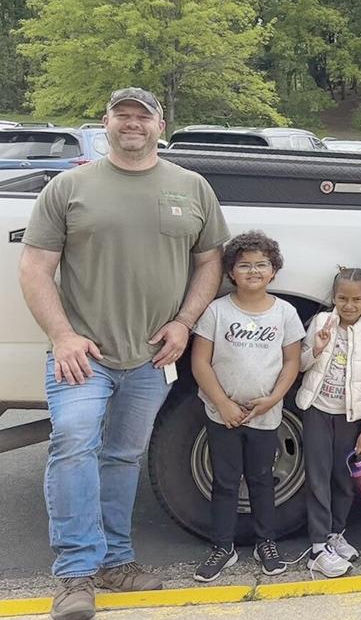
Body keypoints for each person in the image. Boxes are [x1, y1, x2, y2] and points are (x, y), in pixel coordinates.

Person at [19, 87, 228, 620]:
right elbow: (35, 266)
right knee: (72, 446)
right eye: (122, 115)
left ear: (161, 126)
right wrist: (63, 336)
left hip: (152, 358)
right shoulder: (68, 187)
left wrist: (184, 322)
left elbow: (209, 262)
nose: (132, 123)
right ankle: (75, 575)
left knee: (123, 457)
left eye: (143, 116)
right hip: (81, 355)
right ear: (105, 124)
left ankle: (115, 562)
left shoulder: (192, 187)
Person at [191, 231, 305, 582]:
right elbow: (200, 362)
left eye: (261, 265)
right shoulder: (216, 311)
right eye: (244, 265)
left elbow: (291, 363)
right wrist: (222, 403)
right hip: (222, 414)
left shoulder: (285, 313)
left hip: (266, 414)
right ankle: (221, 547)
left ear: (273, 271)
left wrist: (272, 400)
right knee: (225, 482)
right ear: (231, 272)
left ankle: (265, 542)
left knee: (261, 480)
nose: (253, 271)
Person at [298, 268, 361, 577]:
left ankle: (336, 533)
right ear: (334, 297)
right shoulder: (322, 322)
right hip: (317, 409)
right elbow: (301, 363)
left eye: (356, 299)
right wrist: (317, 348)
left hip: (350, 416)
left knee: (345, 478)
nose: (349, 305)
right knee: (318, 476)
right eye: (342, 298)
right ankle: (318, 547)